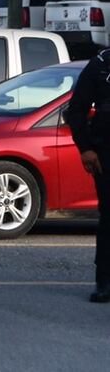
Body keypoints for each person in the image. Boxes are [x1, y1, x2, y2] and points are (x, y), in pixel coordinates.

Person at [65, 48, 110, 303]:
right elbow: (76, 111)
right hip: (106, 153)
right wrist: (85, 148)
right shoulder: (101, 65)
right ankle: (105, 282)